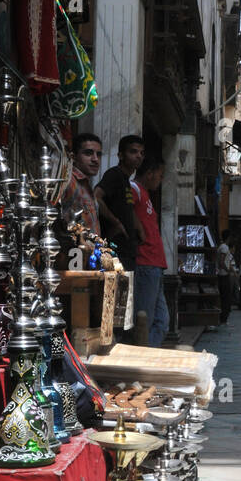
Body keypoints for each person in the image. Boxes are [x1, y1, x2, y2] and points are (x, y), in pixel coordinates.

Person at [131, 156, 169, 348]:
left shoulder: (145, 195)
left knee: (162, 321)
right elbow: (124, 208)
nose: (160, 180)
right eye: (160, 176)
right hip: (146, 262)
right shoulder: (135, 189)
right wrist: (137, 227)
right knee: (145, 319)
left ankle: (146, 354)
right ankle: (140, 359)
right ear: (150, 173)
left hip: (155, 264)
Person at [94, 134, 145, 271]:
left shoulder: (126, 180)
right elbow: (96, 197)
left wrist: (138, 227)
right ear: (121, 155)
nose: (139, 156)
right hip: (115, 250)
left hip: (126, 250)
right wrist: (116, 222)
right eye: (133, 151)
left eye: (141, 153)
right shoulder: (114, 174)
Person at [61, 132, 102, 238]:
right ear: (73, 157)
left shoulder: (86, 184)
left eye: (98, 154)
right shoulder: (69, 181)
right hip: (72, 252)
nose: (95, 159)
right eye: (88, 153)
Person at [217, 231, 236, 324]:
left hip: (224, 274)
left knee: (225, 297)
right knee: (225, 297)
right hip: (223, 275)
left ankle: (224, 317)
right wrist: (227, 270)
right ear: (228, 237)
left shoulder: (223, 247)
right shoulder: (224, 247)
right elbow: (221, 261)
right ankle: (223, 318)